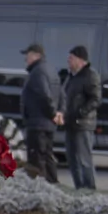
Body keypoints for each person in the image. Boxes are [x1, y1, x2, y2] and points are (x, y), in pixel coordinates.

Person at [53, 44, 99, 189]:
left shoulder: (90, 76)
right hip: (70, 124)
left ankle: (89, 188)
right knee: (72, 160)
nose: (68, 61)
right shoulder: (70, 77)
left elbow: (95, 99)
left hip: (83, 124)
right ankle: (79, 187)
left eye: (71, 58)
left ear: (81, 60)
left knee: (84, 159)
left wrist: (81, 112)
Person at [19, 42, 60, 180]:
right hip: (47, 124)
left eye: (28, 55)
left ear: (37, 55)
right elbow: (61, 94)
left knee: (37, 160)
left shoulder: (37, 72)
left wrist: (52, 113)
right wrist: (58, 113)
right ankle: (54, 184)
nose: (26, 59)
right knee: (48, 157)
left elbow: (44, 95)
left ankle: (41, 187)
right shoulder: (51, 70)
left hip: (38, 123)